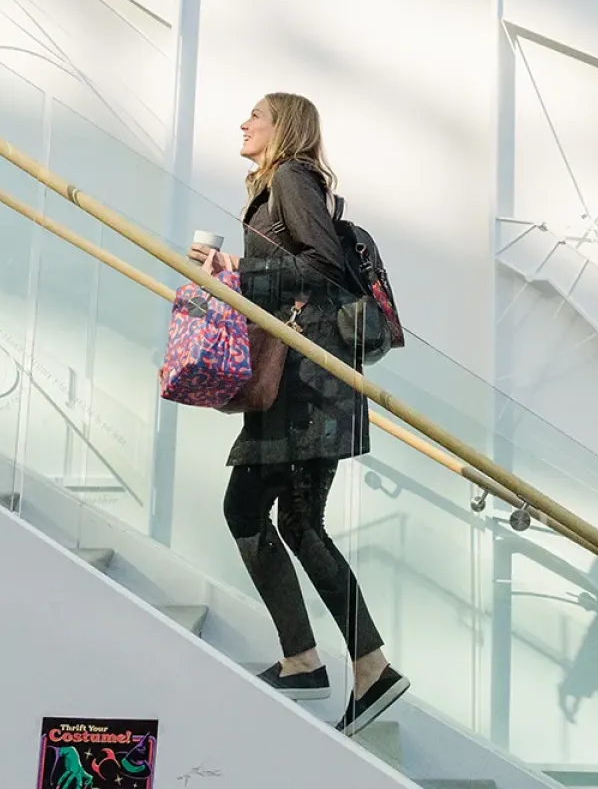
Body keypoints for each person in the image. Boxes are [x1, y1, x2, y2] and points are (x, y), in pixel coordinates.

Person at [188, 92, 409, 736]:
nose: (243, 122)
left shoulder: (291, 177)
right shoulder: (280, 186)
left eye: (254, 114)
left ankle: (328, 662)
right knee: (298, 522)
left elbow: (321, 267)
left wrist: (242, 271)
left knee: (259, 512)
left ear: (283, 126)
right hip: (306, 382)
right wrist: (236, 268)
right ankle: (343, 664)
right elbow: (300, 265)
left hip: (309, 386)